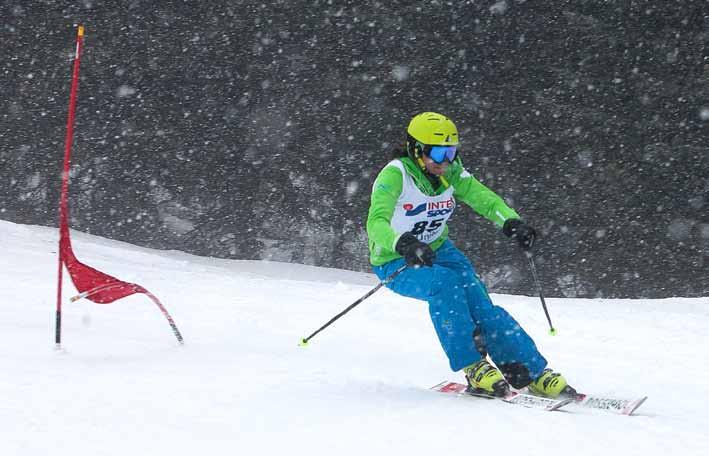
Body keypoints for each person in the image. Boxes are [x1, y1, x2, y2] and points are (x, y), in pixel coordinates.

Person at [366, 112, 574, 398]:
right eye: (439, 153)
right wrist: (403, 244)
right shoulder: (395, 175)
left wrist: (511, 222)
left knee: (480, 303)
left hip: (439, 249)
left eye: (451, 152)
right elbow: (375, 223)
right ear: (416, 149)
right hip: (395, 259)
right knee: (445, 285)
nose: (446, 161)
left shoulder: (449, 172)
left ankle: (529, 372)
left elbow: (481, 197)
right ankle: (474, 367)